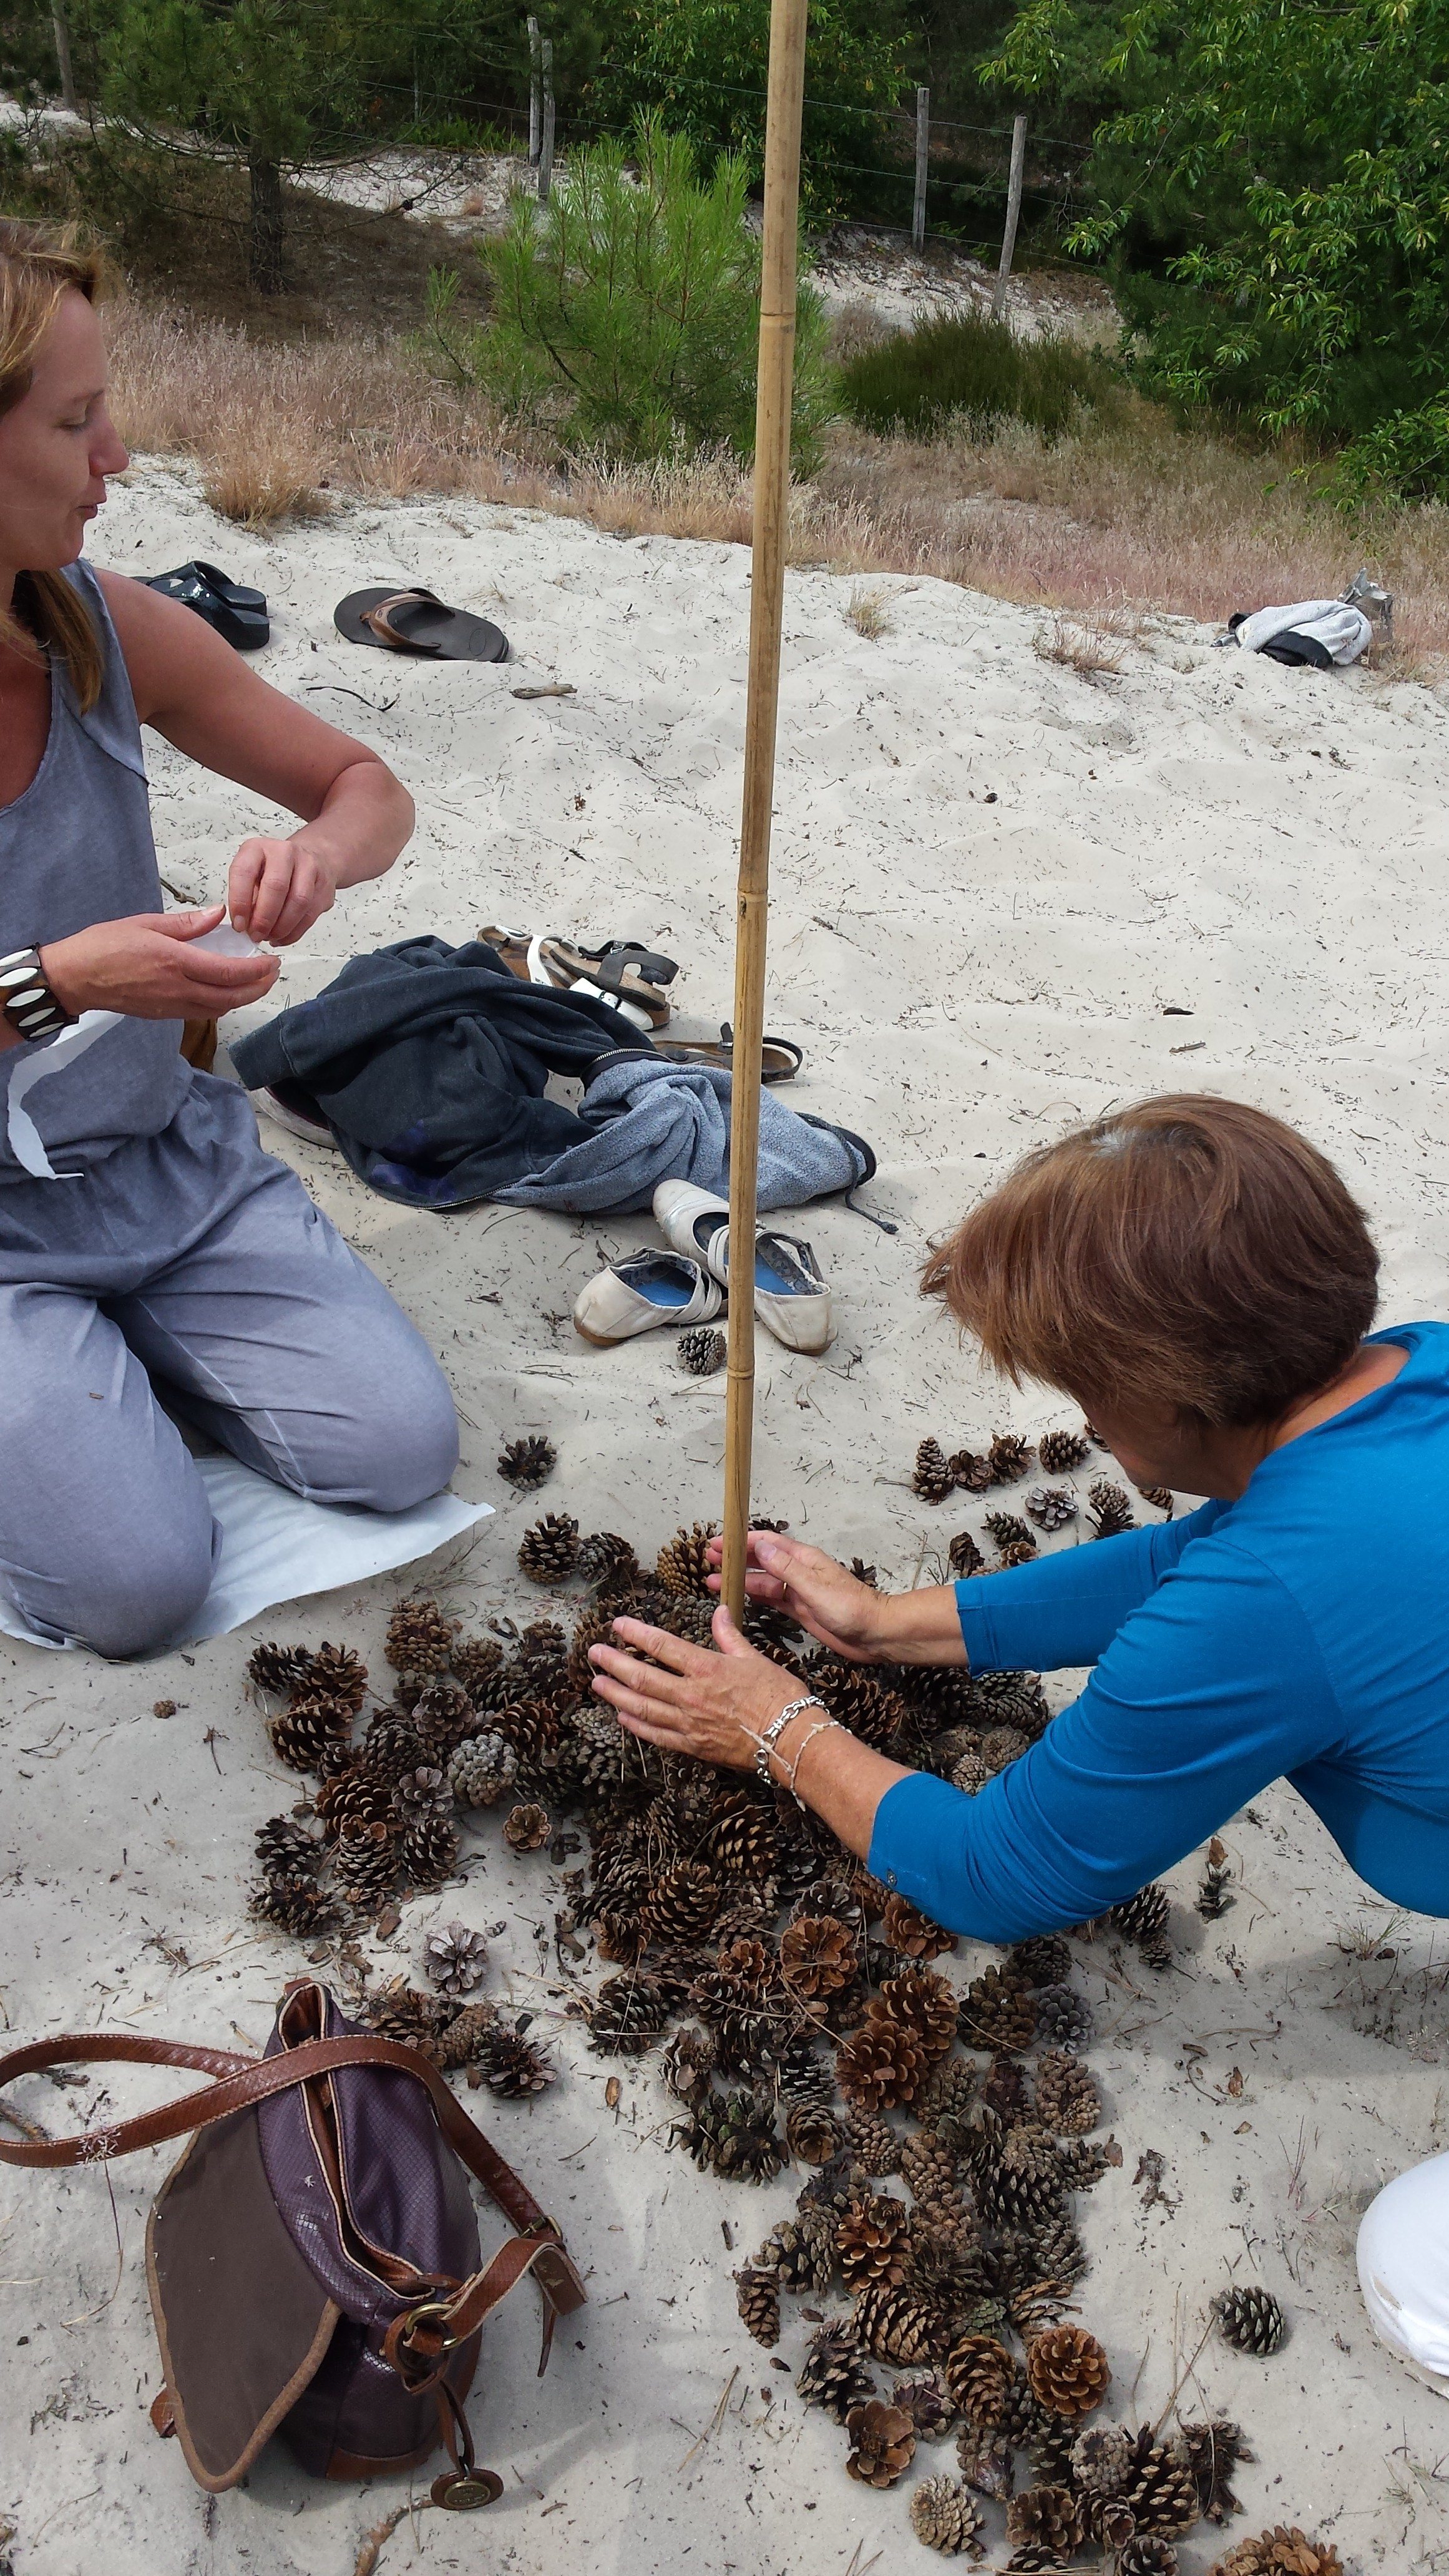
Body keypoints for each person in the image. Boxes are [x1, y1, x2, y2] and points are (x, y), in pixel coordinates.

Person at [587, 1093, 1449, 1941]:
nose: (1086, 1424)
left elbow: (996, 1876)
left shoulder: (1264, 1606)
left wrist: (780, 1731)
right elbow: (1190, 1561)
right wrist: (883, 1627)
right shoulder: (1418, 1367)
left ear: (1157, 1393)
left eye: (1081, 1388)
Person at [0, 219, 459, 1656]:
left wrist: (314, 857)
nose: (118, 456)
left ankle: (106, 1379)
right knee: (135, 1587)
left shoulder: (100, 627)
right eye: (77, 420)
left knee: (400, 1453)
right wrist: (59, 983)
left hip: (163, 1167)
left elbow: (366, 789)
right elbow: (57, 984)